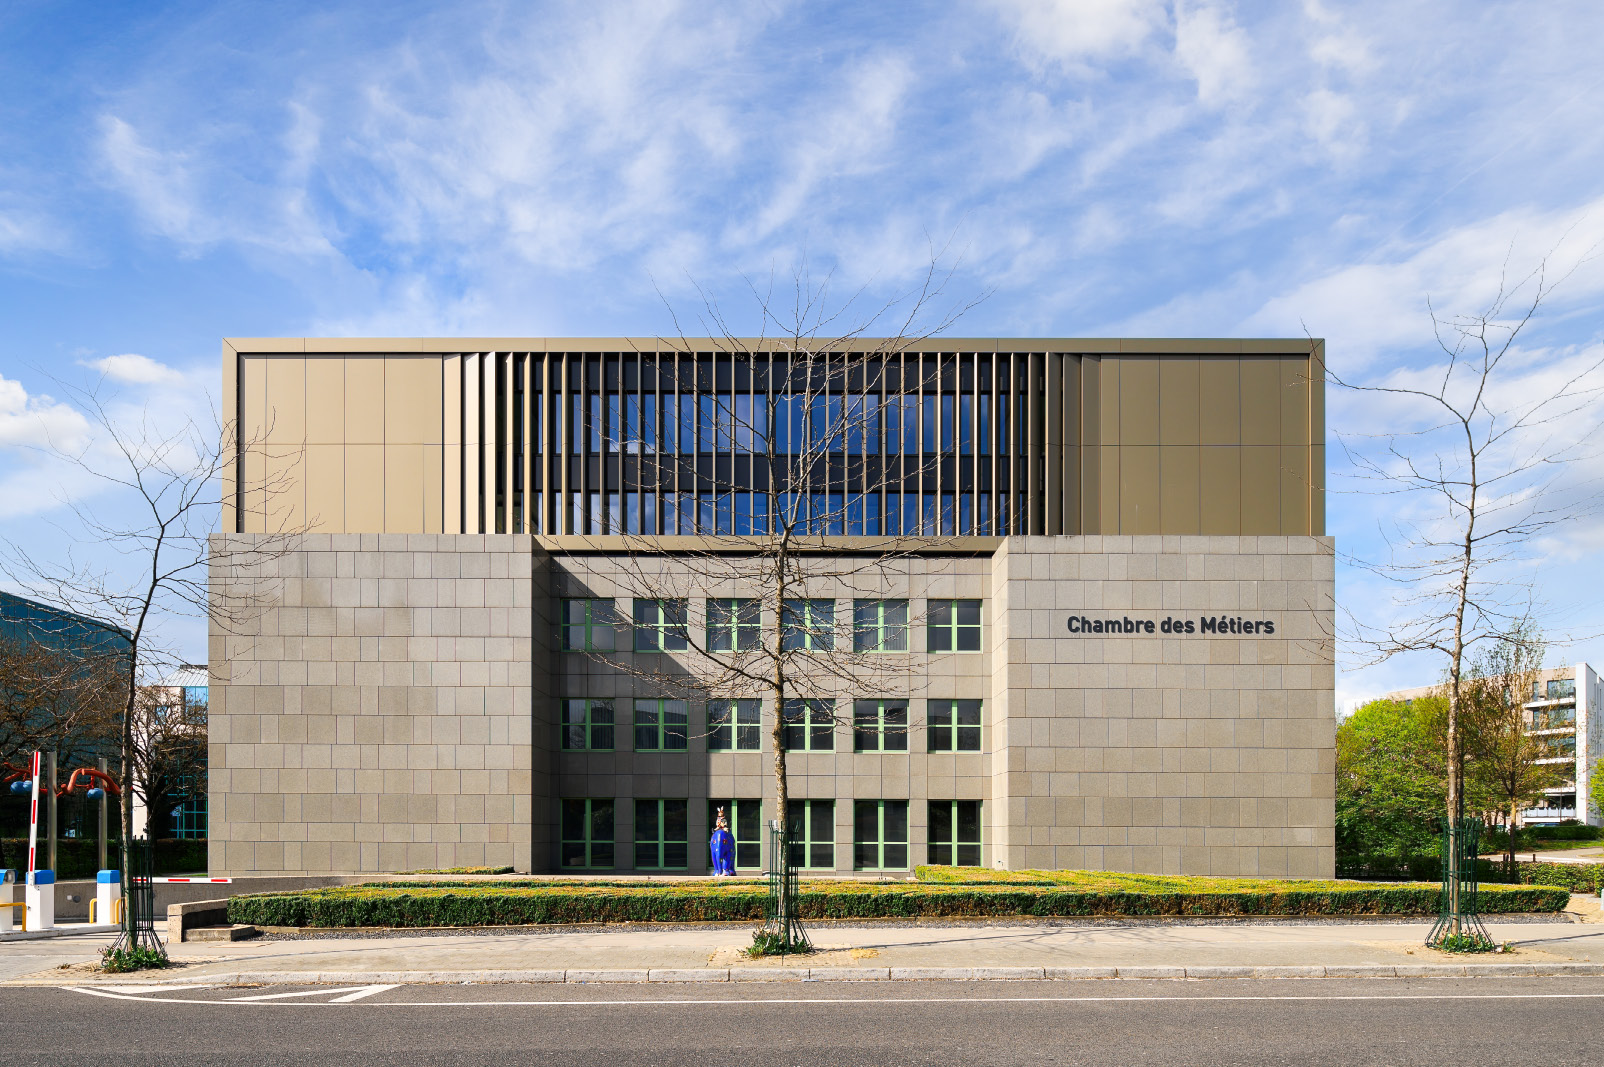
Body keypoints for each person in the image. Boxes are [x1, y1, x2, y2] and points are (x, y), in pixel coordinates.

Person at [710, 806, 736, 876]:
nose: (720, 815)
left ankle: (726, 869)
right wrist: (718, 826)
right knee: (715, 830)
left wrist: (723, 825)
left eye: (721, 813)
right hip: (719, 830)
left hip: (725, 835)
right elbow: (717, 824)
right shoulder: (718, 819)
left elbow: (725, 824)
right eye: (719, 813)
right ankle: (717, 870)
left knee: (725, 829)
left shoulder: (723, 820)